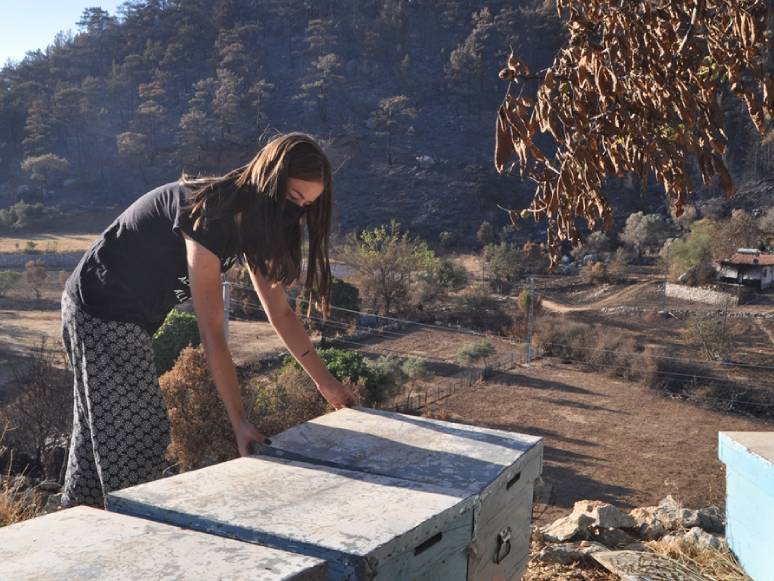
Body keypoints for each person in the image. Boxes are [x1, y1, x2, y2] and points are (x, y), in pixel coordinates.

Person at [60, 132, 355, 509]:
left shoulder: (256, 222)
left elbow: (280, 312)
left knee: (97, 440)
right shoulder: (211, 214)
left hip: (123, 317)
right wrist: (240, 422)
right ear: (270, 181)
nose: (296, 213)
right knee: (138, 437)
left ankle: (75, 527)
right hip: (100, 306)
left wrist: (327, 386)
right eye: (294, 198)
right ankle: (135, 540)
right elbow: (213, 333)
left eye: (308, 205)